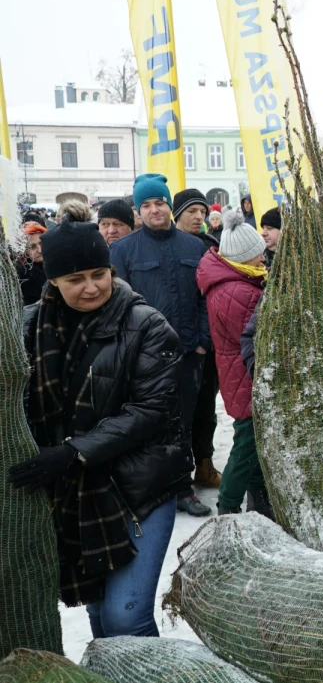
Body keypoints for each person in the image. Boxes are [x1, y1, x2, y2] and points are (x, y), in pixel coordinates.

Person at [7, 220, 190, 638]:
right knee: (98, 614)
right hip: (72, 492)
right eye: (75, 278)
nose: (91, 287)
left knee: (126, 617)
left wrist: (73, 451)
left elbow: (151, 411)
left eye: (99, 274)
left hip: (141, 486)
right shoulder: (29, 327)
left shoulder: (147, 325)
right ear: (53, 280)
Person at [110, 173, 213, 518]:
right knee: (147, 424)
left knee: (183, 423)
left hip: (187, 354)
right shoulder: (123, 250)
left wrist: (201, 342)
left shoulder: (193, 246)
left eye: (160, 203)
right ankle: (149, 489)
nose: (155, 209)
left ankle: (182, 488)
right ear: (139, 211)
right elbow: (119, 307)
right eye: (147, 205)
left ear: (170, 205)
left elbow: (204, 300)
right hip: (146, 358)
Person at [197, 208, 272, 518]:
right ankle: (228, 504)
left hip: (238, 376)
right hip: (245, 378)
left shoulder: (235, 282)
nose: (263, 259)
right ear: (243, 258)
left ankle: (258, 500)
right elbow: (255, 338)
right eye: (258, 255)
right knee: (246, 446)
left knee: (251, 443)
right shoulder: (239, 291)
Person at [168, 188, 222, 492]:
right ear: (177, 214)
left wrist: (205, 340)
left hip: (206, 342)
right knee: (179, 411)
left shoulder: (209, 245)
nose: (198, 217)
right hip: (177, 343)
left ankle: (204, 463)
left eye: (202, 211)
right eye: (192, 211)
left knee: (205, 408)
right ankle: (180, 471)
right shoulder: (169, 246)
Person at [18, 221, 48, 306]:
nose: (40, 250)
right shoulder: (26, 273)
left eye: (42, 243)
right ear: (24, 251)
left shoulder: (58, 262)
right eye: (32, 247)